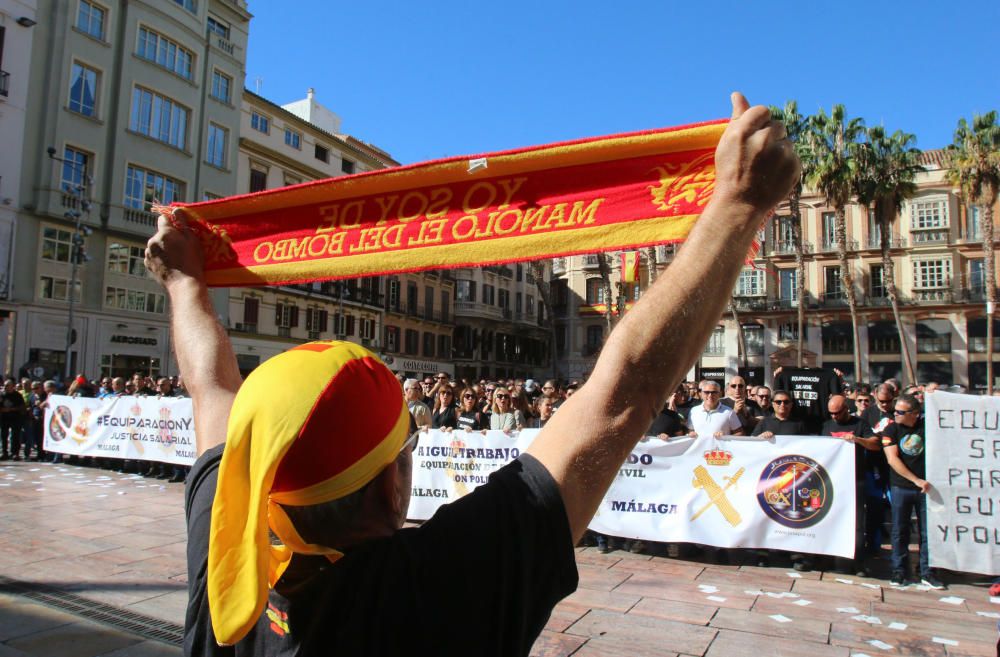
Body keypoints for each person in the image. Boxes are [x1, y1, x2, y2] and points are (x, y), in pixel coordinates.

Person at [146, 90, 798, 655]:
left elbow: (211, 388)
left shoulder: (229, 549)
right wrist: (738, 203)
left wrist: (182, 285)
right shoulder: (439, 588)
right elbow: (621, 396)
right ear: (389, 485)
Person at [879, 394, 946, 590]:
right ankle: (899, 570)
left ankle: (927, 571)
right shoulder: (891, 429)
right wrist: (916, 480)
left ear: (915, 414)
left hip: (928, 489)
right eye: (895, 410)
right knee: (900, 530)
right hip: (902, 486)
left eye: (900, 411)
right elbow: (892, 459)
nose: (895, 414)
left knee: (928, 532)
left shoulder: (928, 429)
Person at [822, 394, 878, 577]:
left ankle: (858, 562)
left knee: (856, 523)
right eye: (831, 413)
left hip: (855, 480)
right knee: (831, 520)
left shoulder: (860, 424)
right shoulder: (826, 426)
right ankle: (833, 558)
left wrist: (857, 440)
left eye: (837, 413)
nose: (834, 417)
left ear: (846, 408)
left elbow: (875, 444)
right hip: (833, 482)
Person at [0, 379, 27, 460]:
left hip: (15, 418)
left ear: (12, 386)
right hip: (4, 418)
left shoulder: (18, 395)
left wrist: (12, 409)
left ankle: (15, 453)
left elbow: (22, 407)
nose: (5, 387)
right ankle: (4, 452)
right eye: (5, 385)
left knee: (15, 436)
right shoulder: (2, 395)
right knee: (3, 436)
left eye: (7, 385)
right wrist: (2, 409)